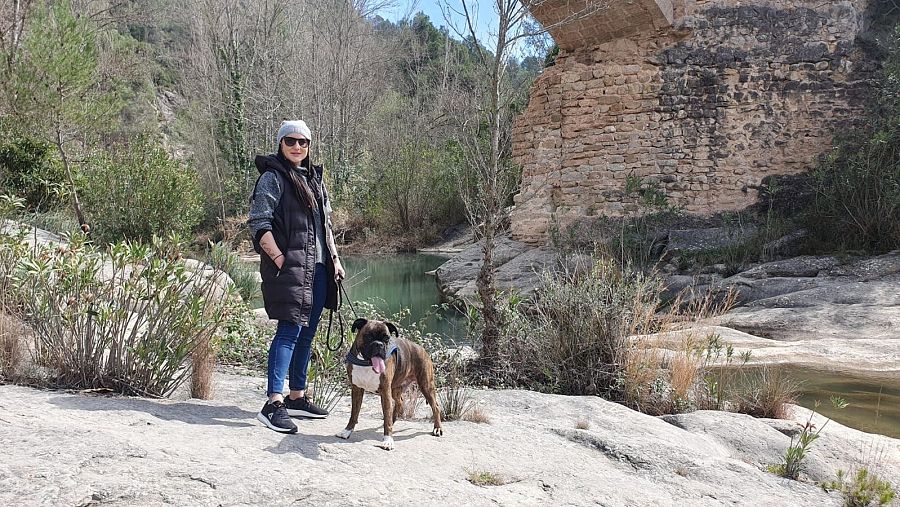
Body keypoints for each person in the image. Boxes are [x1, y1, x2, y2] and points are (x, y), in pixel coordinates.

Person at [248, 119, 345, 433]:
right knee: (288, 331)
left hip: (319, 269)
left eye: (303, 142)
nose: (297, 146)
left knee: (307, 333)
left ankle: (296, 397)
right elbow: (259, 223)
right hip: (290, 269)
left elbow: (325, 226)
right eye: (290, 140)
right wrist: (280, 258)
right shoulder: (273, 177)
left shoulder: (315, 179)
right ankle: (273, 403)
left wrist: (335, 260)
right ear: (280, 143)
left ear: (309, 146)